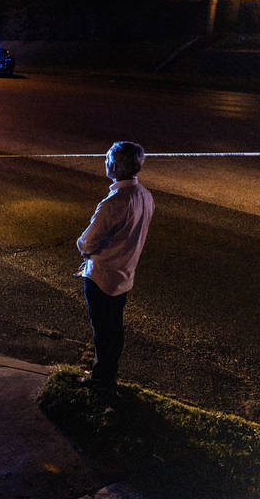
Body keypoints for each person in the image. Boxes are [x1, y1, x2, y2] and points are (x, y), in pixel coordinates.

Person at [77, 141, 154, 387]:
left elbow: (88, 242)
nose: (105, 162)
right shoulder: (145, 196)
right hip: (124, 276)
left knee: (102, 331)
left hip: (102, 276)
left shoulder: (114, 203)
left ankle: (101, 379)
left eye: (109, 158)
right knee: (115, 329)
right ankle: (109, 374)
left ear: (117, 166)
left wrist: (82, 246)